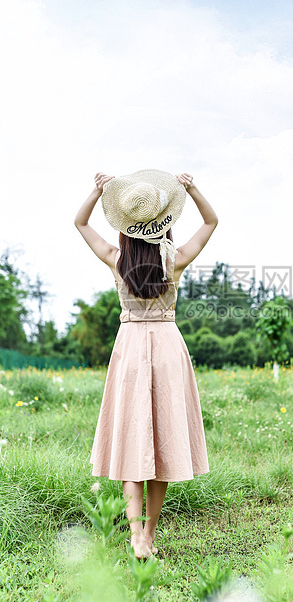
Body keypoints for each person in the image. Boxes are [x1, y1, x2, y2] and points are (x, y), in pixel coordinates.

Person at [74, 169, 218, 559]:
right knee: (165, 442)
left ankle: (136, 536)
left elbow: (80, 222)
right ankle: (149, 536)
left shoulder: (116, 259)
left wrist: (97, 191)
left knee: (133, 442)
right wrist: (191, 187)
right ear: (163, 223)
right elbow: (211, 221)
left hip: (130, 348)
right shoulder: (176, 260)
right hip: (168, 347)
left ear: (126, 227)